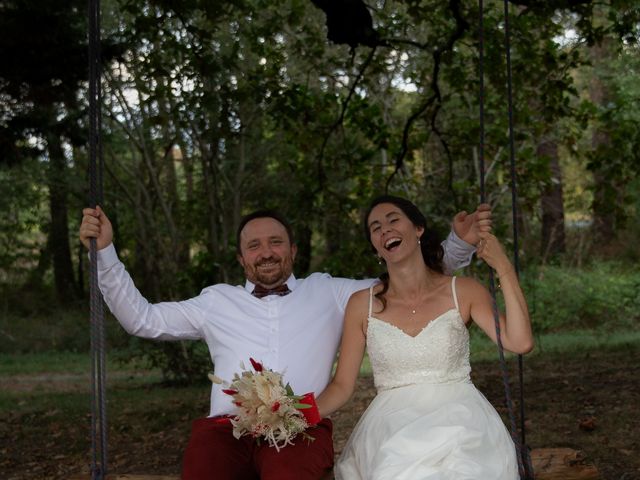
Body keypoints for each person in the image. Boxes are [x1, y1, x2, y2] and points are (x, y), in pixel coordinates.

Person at [78, 202, 491, 480]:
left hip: (301, 425)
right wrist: (106, 252)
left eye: (276, 242)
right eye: (254, 246)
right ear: (241, 258)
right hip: (228, 428)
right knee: (205, 465)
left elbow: (409, 280)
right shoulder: (215, 302)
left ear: (292, 249)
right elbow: (142, 319)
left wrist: (459, 245)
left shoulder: (330, 293)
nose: (266, 252)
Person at [316, 195, 534, 480]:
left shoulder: (464, 291)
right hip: (392, 429)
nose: (385, 230)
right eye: (376, 228)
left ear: (418, 229)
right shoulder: (362, 305)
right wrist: (291, 415)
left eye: (394, 220)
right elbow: (342, 386)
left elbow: (520, 342)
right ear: (375, 246)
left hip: (461, 422)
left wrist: (503, 266)